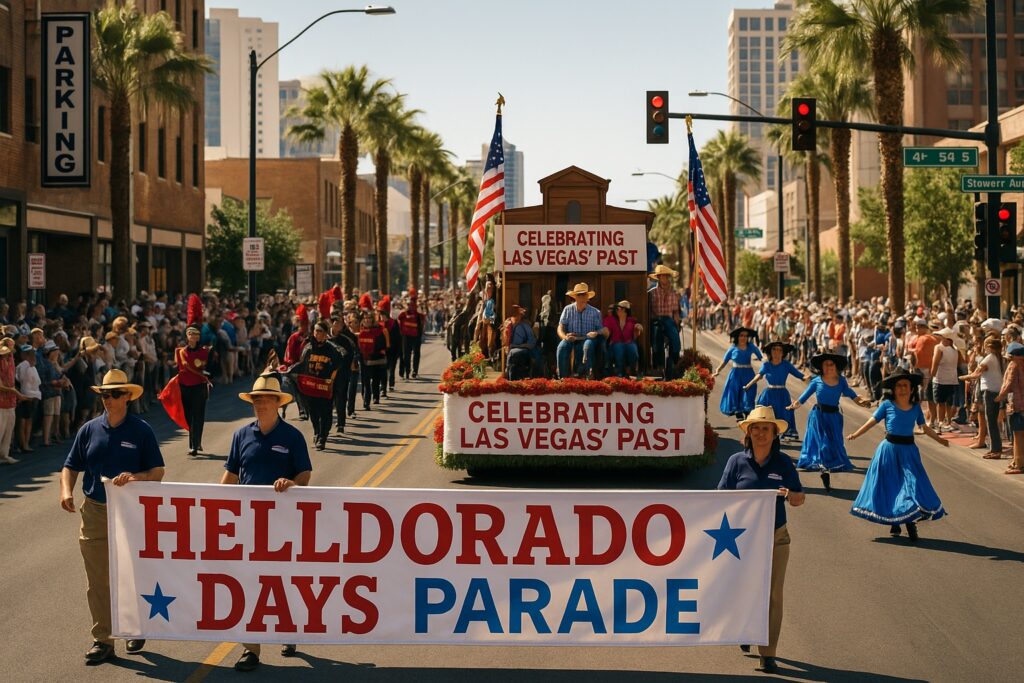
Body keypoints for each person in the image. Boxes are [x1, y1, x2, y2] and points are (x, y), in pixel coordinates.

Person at [59, 369, 165, 663]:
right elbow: (70, 465)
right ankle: (102, 639)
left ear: (128, 397)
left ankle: (133, 628)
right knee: (98, 579)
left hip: (131, 512)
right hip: (94, 510)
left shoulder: (141, 430)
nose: (109, 399)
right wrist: (65, 491)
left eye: (115, 394)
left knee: (131, 574)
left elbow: (157, 472)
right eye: (105, 394)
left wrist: (136, 477)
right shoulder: (89, 429)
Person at [222, 375, 312, 672]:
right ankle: (251, 649)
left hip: (281, 523)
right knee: (247, 583)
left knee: (281, 581)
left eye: (265, 399)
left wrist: (292, 483)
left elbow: (304, 474)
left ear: (278, 403)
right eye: (256, 400)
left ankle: (287, 632)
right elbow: (231, 475)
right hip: (247, 522)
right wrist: (213, 504)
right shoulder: (241, 435)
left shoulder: (292, 437)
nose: (260, 404)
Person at [718, 406, 805, 675]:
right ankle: (747, 627)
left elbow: (799, 498)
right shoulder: (736, 462)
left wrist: (789, 494)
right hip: (742, 538)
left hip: (776, 535)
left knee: (773, 595)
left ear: (774, 433)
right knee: (745, 588)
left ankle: (768, 654)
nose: (760, 433)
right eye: (755, 428)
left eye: (766, 428)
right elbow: (719, 497)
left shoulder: (784, 463)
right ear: (749, 432)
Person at [848, 368, 948, 541]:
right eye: (899, 385)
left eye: (906, 385)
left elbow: (924, 428)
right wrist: (856, 434)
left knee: (911, 485)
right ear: (893, 389)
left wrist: (940, 440)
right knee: (892, 486)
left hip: (909, 452)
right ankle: (895, 520)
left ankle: (909, 521)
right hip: (889, 450)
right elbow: (872, 421)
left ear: (911, 389)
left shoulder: (916, 408)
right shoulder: (887, 405)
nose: (902, 388)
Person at [789, 352, 870, 492]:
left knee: (833, 443)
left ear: (836, 366)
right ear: (821, 367)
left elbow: (852, 395)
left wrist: (863, 403)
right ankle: (824, 469)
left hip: (834, 417)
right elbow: (805, 395)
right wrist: (795, 404)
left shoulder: (842, 381)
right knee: (822, 443)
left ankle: (827, 464)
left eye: (831, 364)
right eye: (825, 364)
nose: (828, 367)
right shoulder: (817, 380)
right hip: (818, 416)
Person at [291, 320, 342, 451]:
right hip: (311, 387)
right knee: (313, 413)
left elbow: (337, 367)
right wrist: (290, 371)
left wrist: (331, 381)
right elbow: (302, 364)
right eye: (316, 331)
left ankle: (322, 438)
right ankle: (317, 432)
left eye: (320, 331)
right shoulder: (308, 347)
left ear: (325, 334)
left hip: (325, 387)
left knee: (326, 413)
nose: (317, 334)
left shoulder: (332, 349)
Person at [744, 341, 807, 441]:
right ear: (770, 352)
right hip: (769, 394)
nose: (777, 352)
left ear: (783, 353)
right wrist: (749, 384)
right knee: (766, 416)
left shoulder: (786, 365)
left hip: (782, 394)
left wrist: (811, 379)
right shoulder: (767, 365)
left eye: (779, 350)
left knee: (784, 414)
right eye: (774, 349)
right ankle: (765, 434)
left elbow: (800, 376)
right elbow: (759, 376)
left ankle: (781, 434)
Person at [960, 337, 1004, 458]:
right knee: (991, 421)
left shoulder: (989, 358)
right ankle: (995, 448)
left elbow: (976, 374)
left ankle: (995, 450)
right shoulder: (995, 358)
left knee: (990, 421)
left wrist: (962, 377)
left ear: (989, 347)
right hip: (993, 390)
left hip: (990, 391)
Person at [556, 282, 608, 379]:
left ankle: (588, 375)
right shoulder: (567, 309)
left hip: (588, 338)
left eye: (585, 294)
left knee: (587, 345)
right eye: (580, 295)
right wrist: (565, 336)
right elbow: (560, 327)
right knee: (562, 347)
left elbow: (601, 329)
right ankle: (562, 378)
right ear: (575, 297)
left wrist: (596, 333)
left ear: (588, 297)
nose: (583, 297)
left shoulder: (595, 312)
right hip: (571, 338)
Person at [176, 324, 211, 456]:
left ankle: (195, 445)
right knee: (188, 416)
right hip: (185, 385)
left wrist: (201, 364)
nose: (192, 337)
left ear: (198, 337)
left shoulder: (203, 351)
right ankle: (194, 443)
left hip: (199, 385)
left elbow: (206, 366)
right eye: (190, 334)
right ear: (187, 336)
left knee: (198, 416)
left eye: (195, 335)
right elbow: (180, 366)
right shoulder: (181, 351)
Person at [715, 327, 762, 421]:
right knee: (736, 393)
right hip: (736, 374)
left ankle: (747, 411)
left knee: (749, 393)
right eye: (741, 335)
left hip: (748, 374)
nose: (744, 338)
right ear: (738, 336)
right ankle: (738, 411)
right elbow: (724, 361)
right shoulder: (733, 348)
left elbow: (761, 357)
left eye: (746, 336)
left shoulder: (751, 346)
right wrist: (717, 370)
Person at [995, 345, 1024, 475]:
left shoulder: (1013, 365)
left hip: (1017, 405)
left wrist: (999, 396)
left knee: (1018, 435)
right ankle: (1017, 461)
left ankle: (1019, 463)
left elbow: (1009, 383)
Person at [649, 264, 681, 379]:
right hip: (656, 320)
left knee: (675, 340)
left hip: (668, 320)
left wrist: (677, 325)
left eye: (667, 276)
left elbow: (676, 312)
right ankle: (659, 365)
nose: (666, 278)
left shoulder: (675, 293)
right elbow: (648, 310)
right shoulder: (651, 293)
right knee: (656, 337)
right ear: (658, 277)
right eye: (663, 276)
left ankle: (674, 362)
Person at [930, 327, 964, 432]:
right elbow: (960, 363)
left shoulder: (939, 348)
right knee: (948, 403)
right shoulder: (956, 350)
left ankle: (939, 425)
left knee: (940, 403)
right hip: (952, 379)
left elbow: (934, 364)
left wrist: (932, 375)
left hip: (940, 379)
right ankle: (948, 422)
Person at [329, 315, 357, 435]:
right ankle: (326, 424)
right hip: (328, 376)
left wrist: (344, 370)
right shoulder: (325, 338)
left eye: (339, 324)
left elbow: (350, 357)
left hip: (342, 375)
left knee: (341, 399)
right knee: (328, 401)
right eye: (335, 323)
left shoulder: (345, 340)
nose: (337, 326)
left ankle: (341, 423)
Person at [0, 338, 25, 464]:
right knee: (1, 429)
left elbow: (11, 381)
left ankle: (4, 455)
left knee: (8, 429)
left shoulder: (11, 360)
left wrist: (15, 393)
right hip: (1, 402)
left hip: (10, 401)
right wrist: (16, 392)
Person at [604, 300, 643, 378]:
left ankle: (631, 371)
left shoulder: (632, 321)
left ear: (624, 310)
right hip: (615, 343)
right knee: (619, 348)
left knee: (633, 350)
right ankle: (620, 373)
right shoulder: (611, 319)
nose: (616, 310)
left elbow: (637, 332)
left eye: (618, 308)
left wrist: (639, 328)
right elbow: (606, 329)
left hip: (629, 342)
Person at [358, 311, 388, 409]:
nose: (367, 320)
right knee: (365, 382)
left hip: (375, 359)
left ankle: (376, 397)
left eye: (369, 318)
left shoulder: (378, 330)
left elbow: (382, 344)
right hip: (363, 360)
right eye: (365, 318)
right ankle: (366, 402)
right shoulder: (359, 330)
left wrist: (372, 351)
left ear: (372, 319)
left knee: (375, 380)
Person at [504, 304, 543, 380]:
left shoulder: (525, 326)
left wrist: (517, 346)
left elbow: (531, 344)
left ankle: (513, 378)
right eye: (514, 315)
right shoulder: (509, 326)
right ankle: (509, 375)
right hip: (513, 349)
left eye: (518, 315)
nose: (516, 317)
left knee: (514, 354)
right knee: (512, 355)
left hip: (525, 350)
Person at [15, 344, 41, 453]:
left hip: (33, 397)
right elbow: (21, 380)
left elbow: (37, 382)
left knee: (28, 421)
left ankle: (26, 443)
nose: (33, 356)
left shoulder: (33, 367)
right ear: (25, 355)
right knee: (23, 421)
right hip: (25, 397)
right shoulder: (23, 365)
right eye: (30, 354)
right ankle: (23, 444)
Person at [398, 294, 424, 380]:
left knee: (415, 354)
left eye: (412, 304)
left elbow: (423, 320)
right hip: (406, 337)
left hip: (416, 337)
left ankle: (414, 371)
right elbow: (398, 319)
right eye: (409, 304)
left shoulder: (418, 314)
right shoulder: (403, 314)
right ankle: (408, 371)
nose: (410, 306)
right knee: (406, 355)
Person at [378, 297, 400, 395]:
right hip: (383, 351)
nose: (381, 317)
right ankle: (383, 388)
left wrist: (398, 350)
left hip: (393, 350)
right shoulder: (378, 325)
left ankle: (391, 384)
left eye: (382, 315)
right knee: (383, 370)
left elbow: (398, 337)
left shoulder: (394, 323)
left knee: (392, 368)